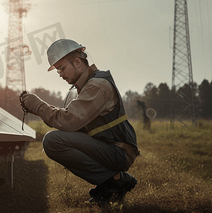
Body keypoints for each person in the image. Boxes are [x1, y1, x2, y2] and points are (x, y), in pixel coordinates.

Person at [20, 39, 139, 206]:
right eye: (57, 71)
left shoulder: (96, 86)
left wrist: (38, 106)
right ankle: (110, 184)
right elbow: (69, 120)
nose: (60, 73)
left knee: (53, 141)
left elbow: (68, 121)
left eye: (61, 68)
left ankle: (115, 181)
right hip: (109, 147)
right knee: (58, 138)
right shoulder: (87, 86)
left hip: (119, 151)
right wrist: (38, 108)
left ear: (77, 62)